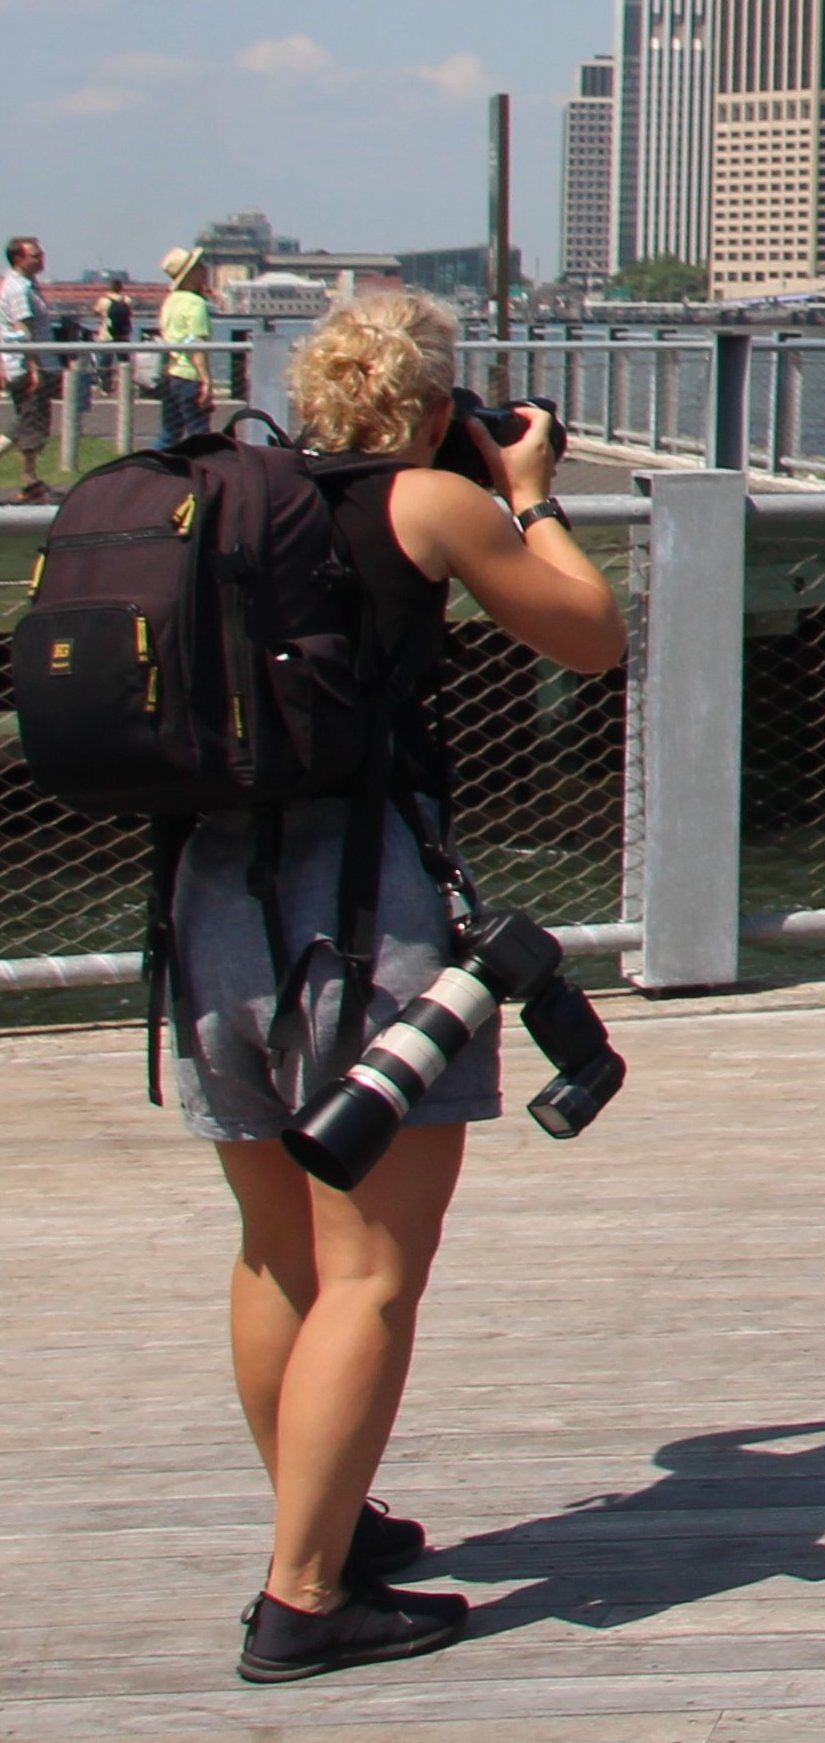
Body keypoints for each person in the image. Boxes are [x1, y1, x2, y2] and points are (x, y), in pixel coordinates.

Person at [174, 291, 625, 1681]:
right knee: (372, 1263)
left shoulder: (234, 501)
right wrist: (534, 496)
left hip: (206, 906)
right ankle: (305, 1593)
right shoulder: (429, 501)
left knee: (276, 1251)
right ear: (435, 403)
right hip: (358, 913)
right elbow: (592, 633)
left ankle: (334, 1525)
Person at [2, 233, 52, 497]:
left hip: (32, 362)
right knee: (29, 424)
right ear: (19, 258)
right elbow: (23, 330)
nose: (41, 258)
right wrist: (34, 368)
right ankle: (28, 480)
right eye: (35, 255)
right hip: (27, 366)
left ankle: (30, 479)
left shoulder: (29, 284)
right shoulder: (18, 288)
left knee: (26, 423)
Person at [154, 245, 218, 447]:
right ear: (191, 273)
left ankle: (153, 469)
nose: (204, 269)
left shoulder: (170, 302)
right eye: (199, 265)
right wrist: (206, 380)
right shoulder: (195, 304)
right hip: (190, 376)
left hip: (171, 373)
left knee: (169, 433)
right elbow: (197, 345)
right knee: (200, 436)